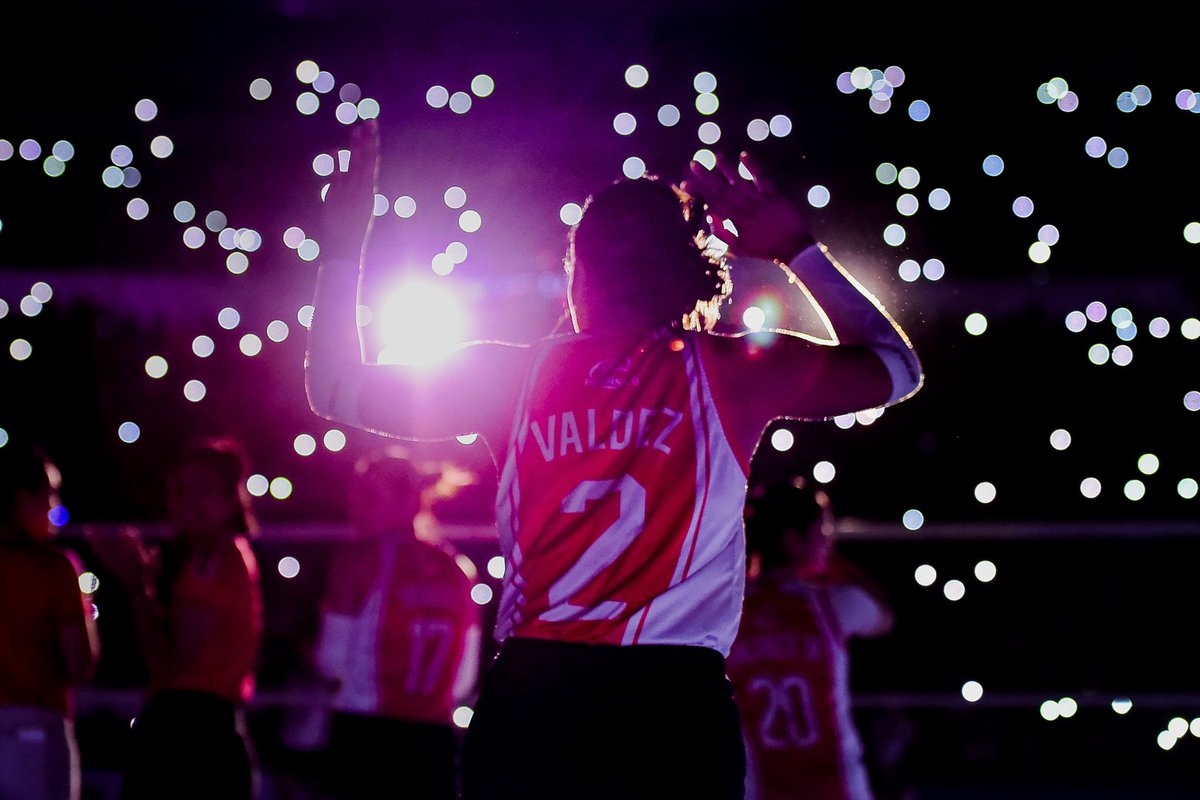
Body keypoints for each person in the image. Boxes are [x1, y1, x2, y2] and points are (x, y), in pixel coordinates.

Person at [305, 119, 921, 799]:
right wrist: (794, 251)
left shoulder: (513, 379)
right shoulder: (733, 370)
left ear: (579, 272)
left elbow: (332, 385)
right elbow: (898, 368)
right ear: (684, 273)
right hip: (670, 704)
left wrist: (341, 245)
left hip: (536, 698)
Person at [94, 438, 263, 800]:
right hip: (202, 731)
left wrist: (136, 585)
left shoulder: (215, 561)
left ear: (230, 498)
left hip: (192, 737)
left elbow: (170, 662)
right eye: (178, 489)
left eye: (201, 489)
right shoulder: (203, 558)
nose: (186, 500)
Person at [316, 448, 480, 800]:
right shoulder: (459, 570)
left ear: (407, 502)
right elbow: (464, 680)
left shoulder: (357, 559)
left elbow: (330, 663)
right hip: (433, 745)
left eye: (369, 496)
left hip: (365, 740)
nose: (354, 506)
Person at [728, 479, 893, 800]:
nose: (828, 543)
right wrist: (828, 564)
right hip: (838, 787)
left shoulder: (731, 609)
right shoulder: (833, 604)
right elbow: (884, 617)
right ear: (793, 540)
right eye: (822, 532)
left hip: (761, 788)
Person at [0, 444, 98, 800]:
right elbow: (79, 664)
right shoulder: (54, 568)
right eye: (49, 494)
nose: (54, 508)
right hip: (35, 732)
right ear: (22, 497)